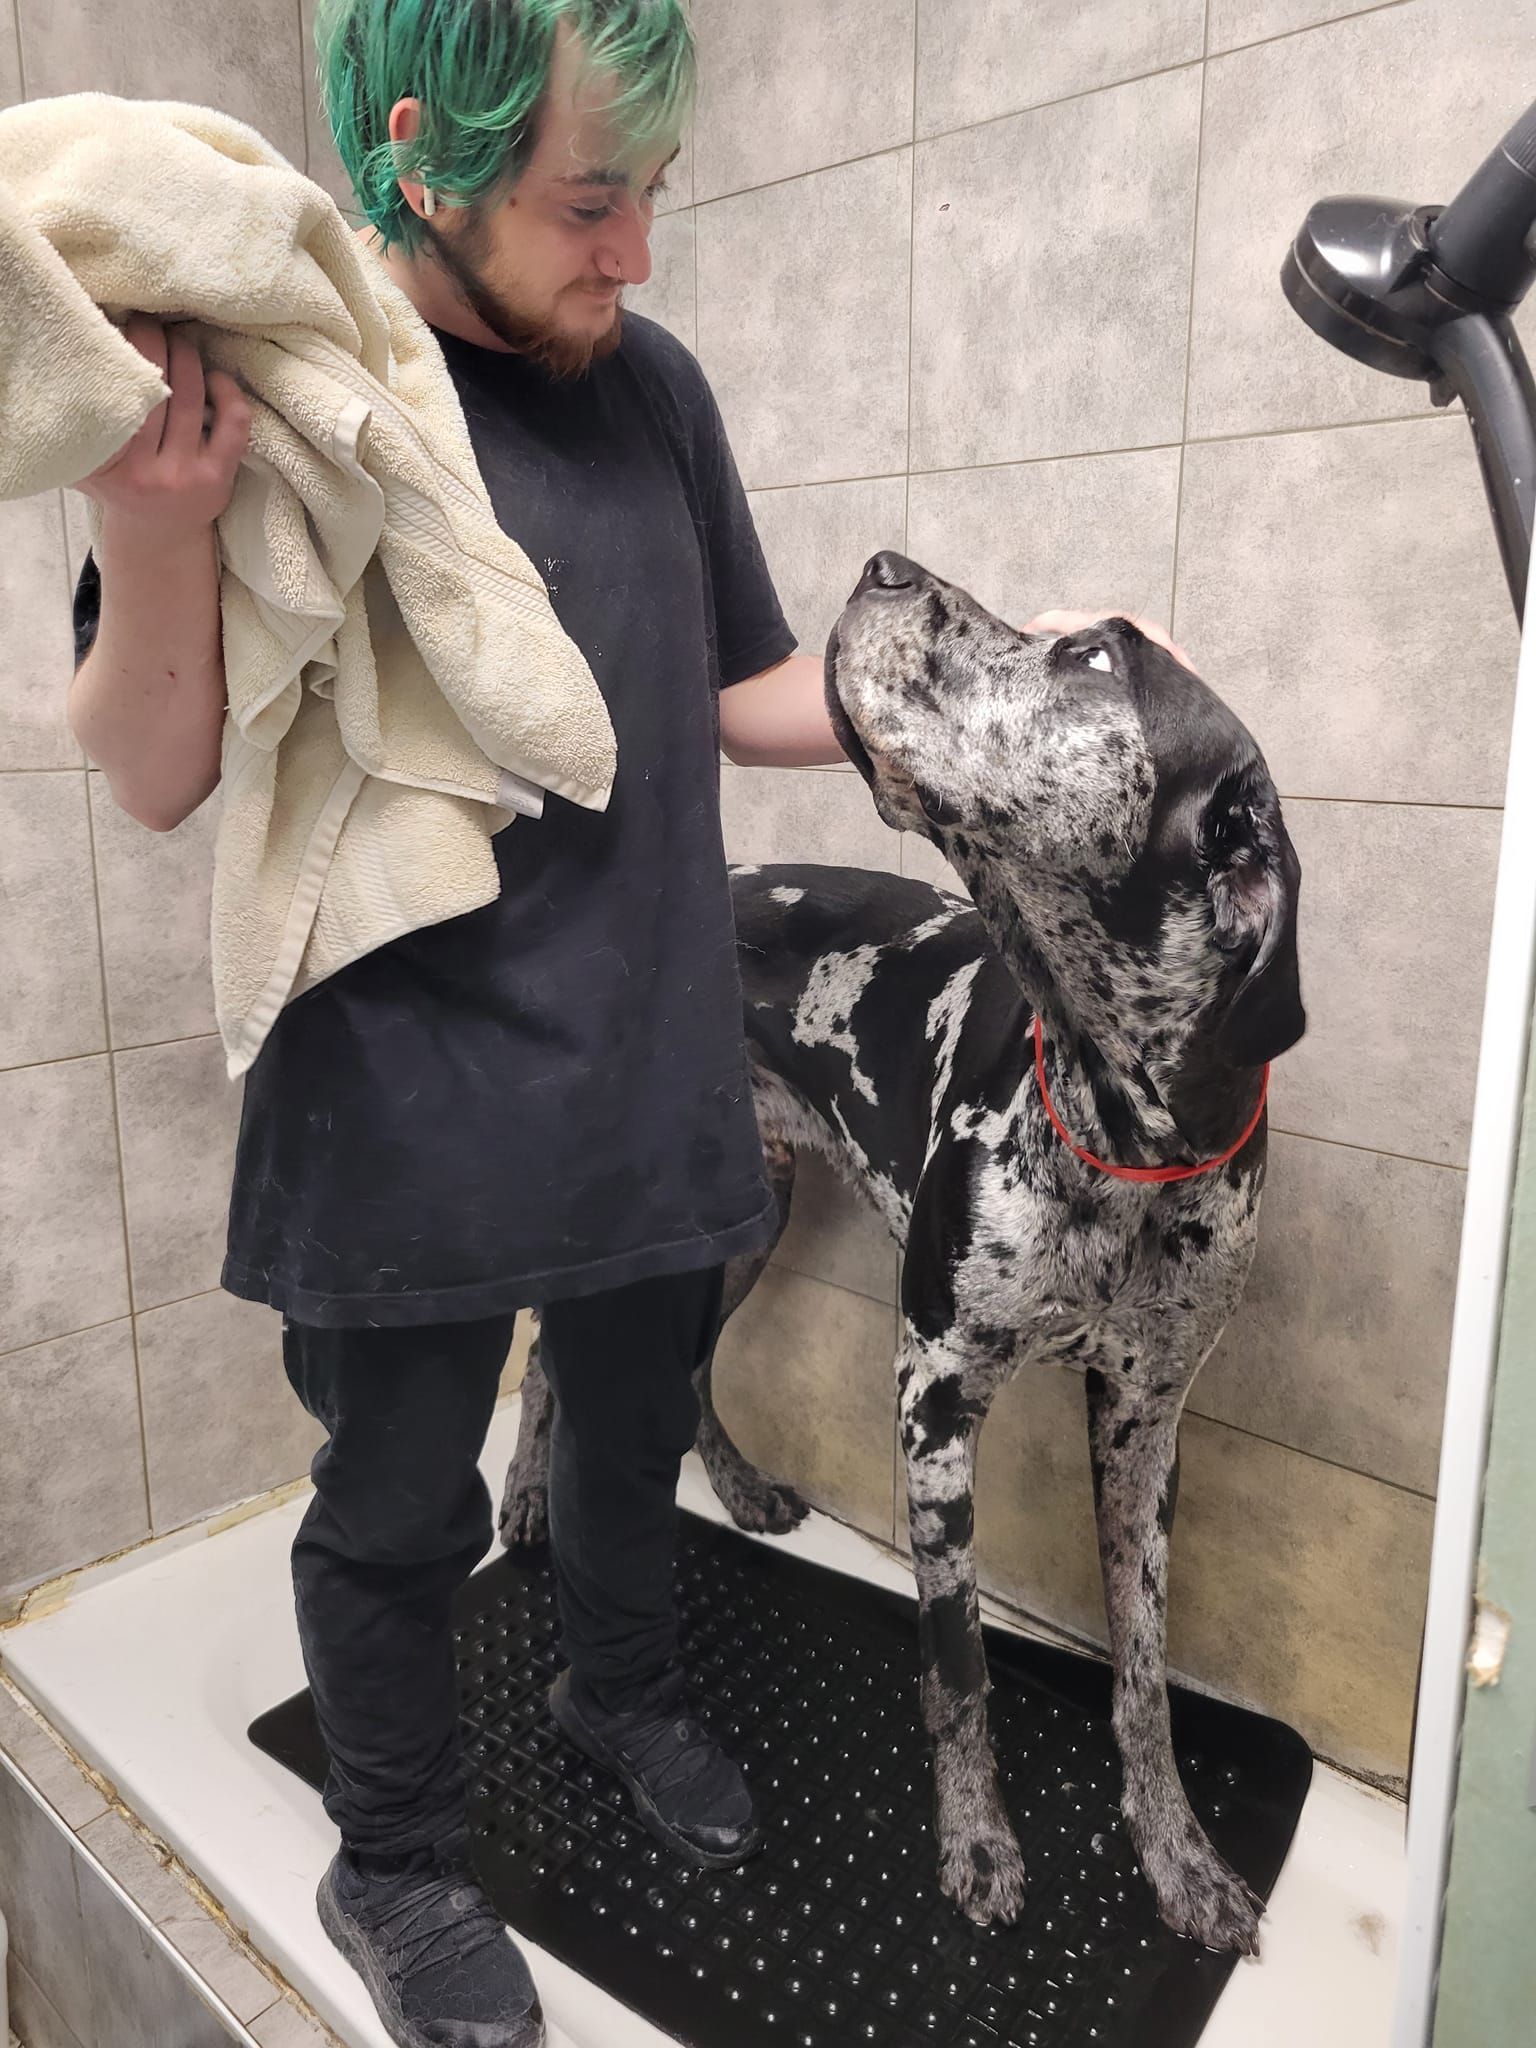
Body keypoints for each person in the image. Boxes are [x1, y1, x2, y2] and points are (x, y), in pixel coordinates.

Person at [67, 6, 1189, 2043]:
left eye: (653, 192)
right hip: (399, 1089)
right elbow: (156, 774)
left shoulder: (650, 388)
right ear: (425, 150)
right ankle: (396, 1857)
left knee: (630, 1422)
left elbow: (743, 686)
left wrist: (1006, 675)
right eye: (594, 202)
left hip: (643, 1052)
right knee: (399, 1505)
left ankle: (618, 1687)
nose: (640, 252)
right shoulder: (293, 385)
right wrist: (146, 529)